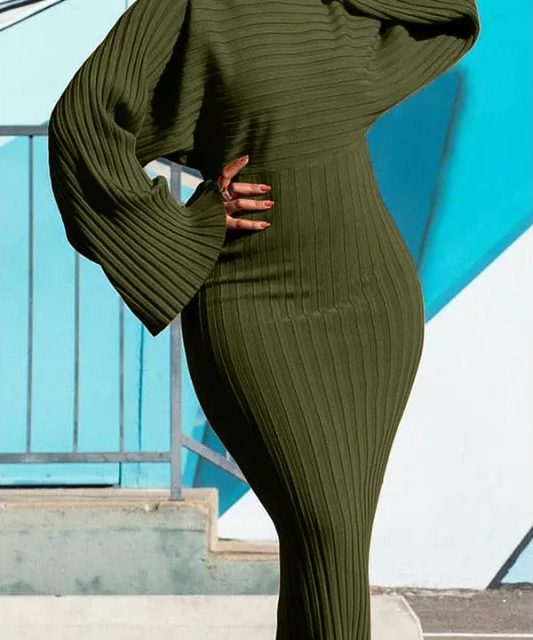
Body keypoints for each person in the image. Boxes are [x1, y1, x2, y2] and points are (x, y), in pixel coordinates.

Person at [47, 0, 481, 636]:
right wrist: (185, 224)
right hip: (252, 309)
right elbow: (82, 127)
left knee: (330, 543)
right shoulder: (191, 6)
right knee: (326, 530)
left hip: (370, 304)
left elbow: (450, 13)